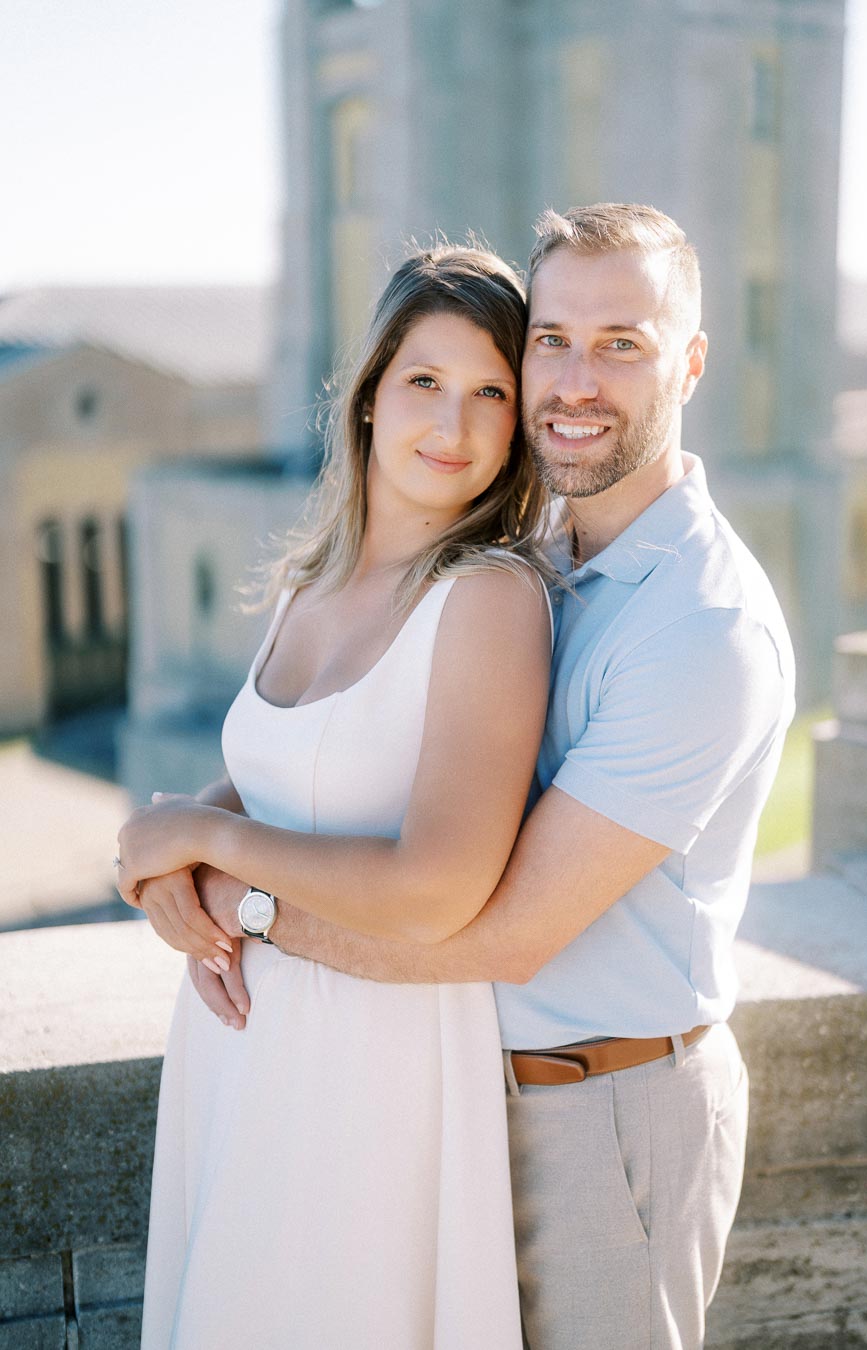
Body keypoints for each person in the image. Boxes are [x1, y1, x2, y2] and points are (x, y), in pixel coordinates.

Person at [130, 203, 796, 1350]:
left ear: (688, 361)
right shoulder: (542, 554)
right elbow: (360, 749)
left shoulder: (701, 626)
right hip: (446, 1091)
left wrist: (227, 893)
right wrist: (189, 840)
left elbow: (493, 932)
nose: (575, 380)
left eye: (622, 344)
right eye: (552, 340)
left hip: (604, 1113)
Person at [119, 243, 559, 1349]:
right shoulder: (319, 575)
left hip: (371, 1075)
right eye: (425, 381)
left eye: (490, 393)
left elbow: (433, 889)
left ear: (517, 426)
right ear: (368, 397)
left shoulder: (490, 600)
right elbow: (283, 765)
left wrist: (205, 842)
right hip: (239, 1053)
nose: (452, 425)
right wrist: (171, 857)